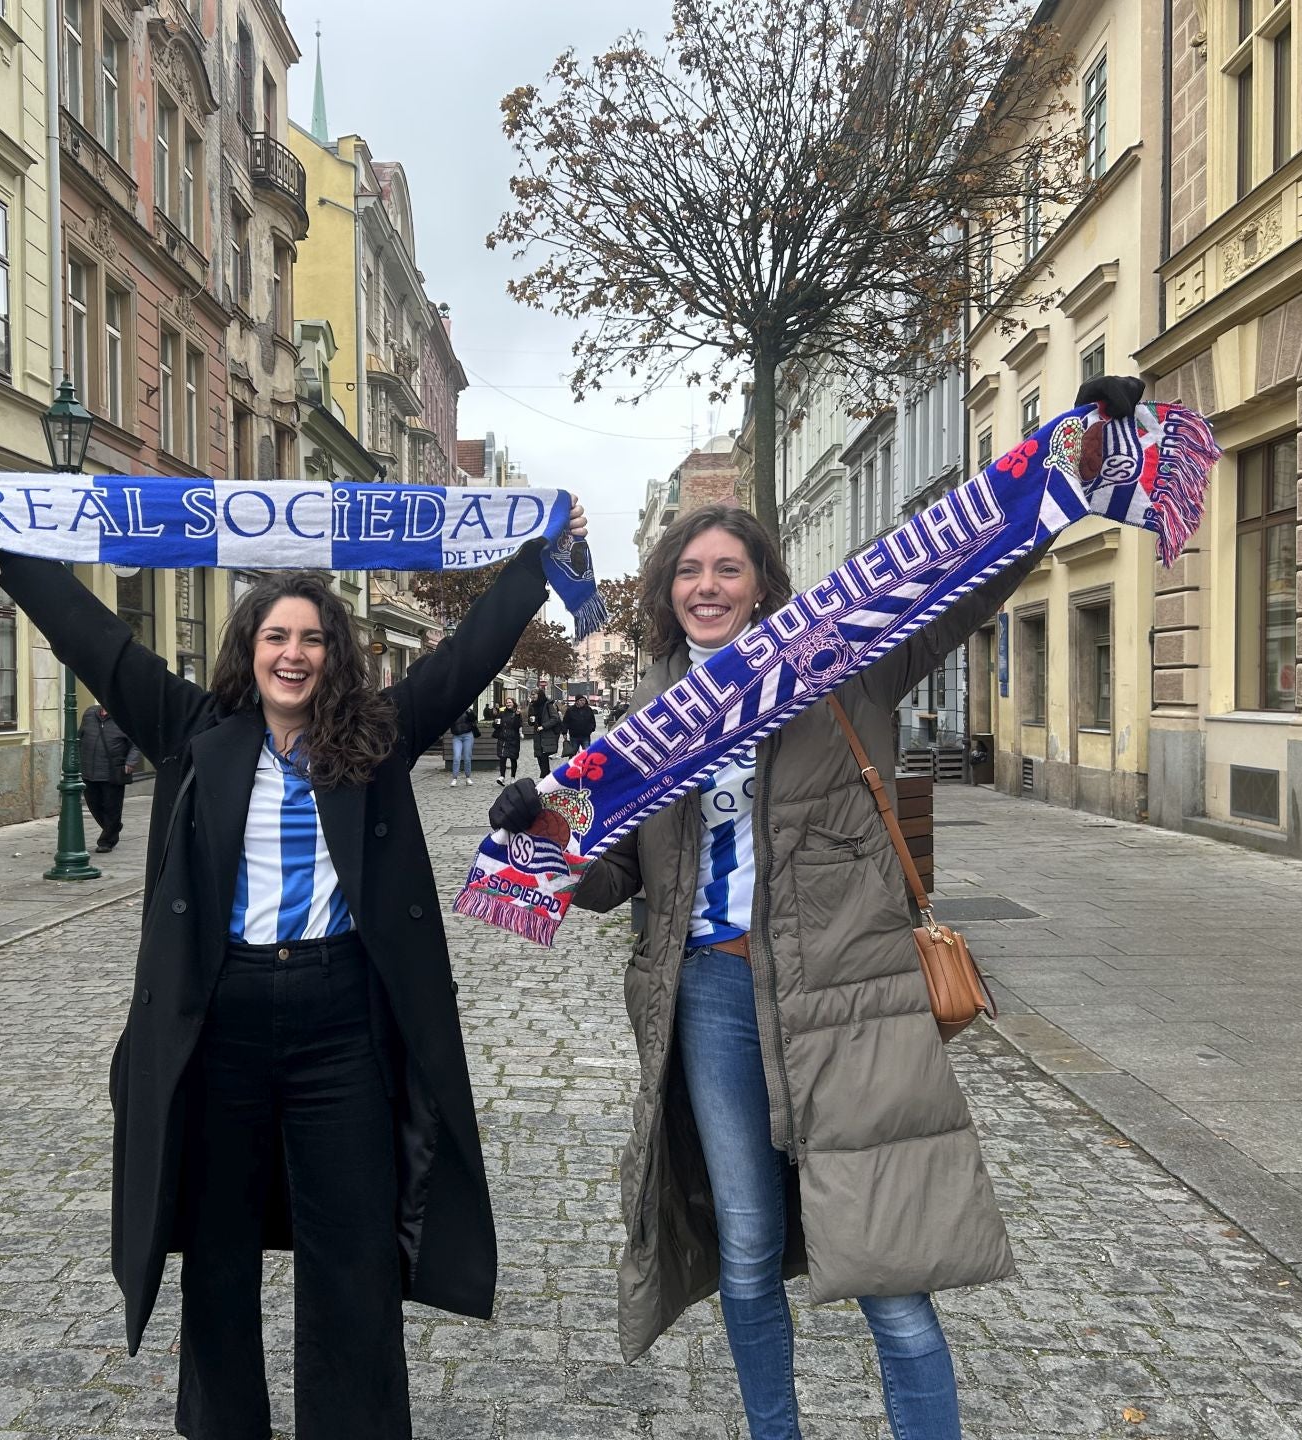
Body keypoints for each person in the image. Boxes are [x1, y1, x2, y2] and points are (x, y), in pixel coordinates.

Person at [486, 379, 1143, 1440]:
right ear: (667, 588)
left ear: (761, 585)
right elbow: (618, 882)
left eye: (727, 568)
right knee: (747, 1243)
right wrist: (540, 836)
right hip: (708, 994)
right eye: (689, 571)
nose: (707, 586)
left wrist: (1067, 453)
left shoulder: (839, 667)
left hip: (845, 989)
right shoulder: (652, 711)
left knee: (889, 1270)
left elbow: (968, 577)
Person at [0, 496, 585, 1440]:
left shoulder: (375, 737)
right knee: (216, 1249)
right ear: (250, 649)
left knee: (350, 1249)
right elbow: (100, 645)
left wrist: (536, 562)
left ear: (334, 655)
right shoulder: (194, 733)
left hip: (341, 1016)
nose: (293, 653)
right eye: (275, 636)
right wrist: (13, 560)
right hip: (220, 1018)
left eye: (311, 638)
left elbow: (464, 658)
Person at [79, 702, 142, 852]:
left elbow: (137, 743)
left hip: (113, 772)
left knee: (111, 807)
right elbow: (79, 736)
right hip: (89, 770)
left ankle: (107, 841)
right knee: (93, 805)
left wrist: (130, 762)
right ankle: (113, 827)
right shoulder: (89, 714)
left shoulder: (125, 718)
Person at [528, 691, 561, 777]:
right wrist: (531, 721)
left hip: (547, 734)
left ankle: (547, 778)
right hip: (537, 735)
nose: (532, 696)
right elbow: (531, 721)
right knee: (540, 756)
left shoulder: (548, 704)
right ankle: (547, 777)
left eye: (534, 694)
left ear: (539, 695)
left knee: (544, 757)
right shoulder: (532, 706)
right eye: (531, 695)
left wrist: (544, 726)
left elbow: (555, 718)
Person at [492, 700, 524, 780]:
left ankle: (512, 777)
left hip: (514, 739)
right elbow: (495, 725)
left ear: (513, 704)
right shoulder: (502, 713)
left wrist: (517, 715)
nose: (508, 704)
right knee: (502, 758)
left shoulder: (517, 713)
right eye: (507, 702)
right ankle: (502, 776)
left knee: (513, 759)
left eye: (510, 702)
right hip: (503, 738)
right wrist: (495, 723)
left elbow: (517, 725)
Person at [449, 705, 479, 788]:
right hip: (456, 736)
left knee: (467, 757)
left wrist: (469, 711)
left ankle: (468, 778)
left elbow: (474, 719)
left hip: (468, 735)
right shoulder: (452, 710)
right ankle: (454, 778)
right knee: (456, 757)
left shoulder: (468, 710)